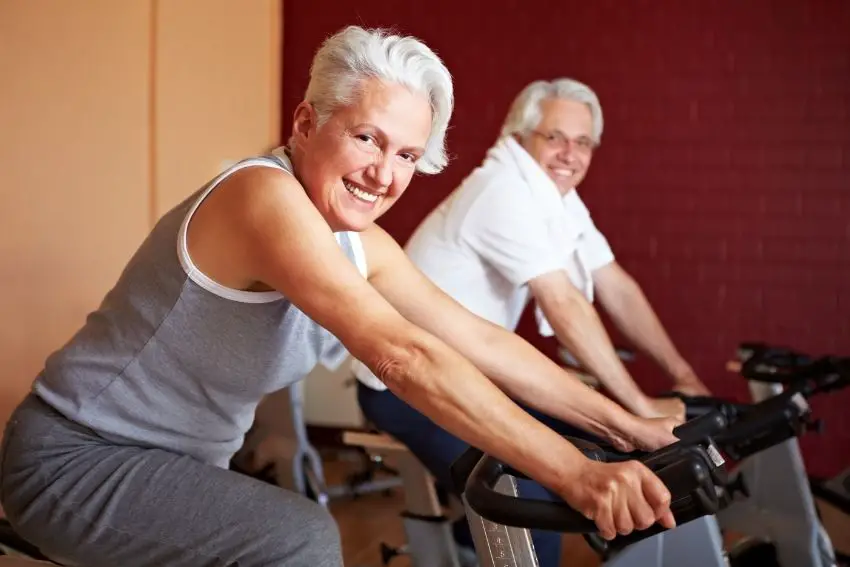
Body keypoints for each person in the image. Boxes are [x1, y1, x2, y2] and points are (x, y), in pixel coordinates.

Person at [0, 28, 680, 567]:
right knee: (298, 538)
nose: (384, 174)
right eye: (367, 138)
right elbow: (404, 356)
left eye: (408, 155)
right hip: (73, 460)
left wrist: (626, 425)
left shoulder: (361, 242)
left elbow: (479, 339)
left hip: (177, 469)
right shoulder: (261, 196)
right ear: (305, 122)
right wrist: (575, 473)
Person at [354, 77, 711, 566]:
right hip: (400, 387)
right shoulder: (502, 191)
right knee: (532, 509)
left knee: (594, 448)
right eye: (555, 137)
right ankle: (474, 545)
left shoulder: (555, 196)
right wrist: (636, 409)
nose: (570, 153)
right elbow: (563, 304)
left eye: (583, 142)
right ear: (520, 137)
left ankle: (467, 545)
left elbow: (616, 287)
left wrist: (683, 378)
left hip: (473, 367)